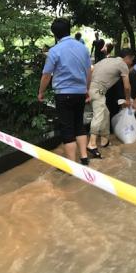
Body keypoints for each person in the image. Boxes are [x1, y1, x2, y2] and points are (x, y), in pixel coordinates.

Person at [39, 18, 91, 165]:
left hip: (63, 94)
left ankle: (72, 165)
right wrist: (86, 89)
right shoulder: (83, 48)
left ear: (55, 34)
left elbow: (46, 75)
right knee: (79, 125)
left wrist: (41, 92)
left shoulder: (55, 51)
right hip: (80, 93)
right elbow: (89, 71)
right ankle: (84, 158)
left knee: (67, 129)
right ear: (69, 30)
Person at [87, 49, 135, 157]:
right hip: (98, 90)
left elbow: (90, 70)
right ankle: (92, 144)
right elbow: (127, 87)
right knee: (99, 116)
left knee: (106, 113)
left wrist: (87, 90)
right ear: (127, 57)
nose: (131, 63)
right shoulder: (123, 65)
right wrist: (127, 100)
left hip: (91, 89)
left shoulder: (106, 60)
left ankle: (104, 140)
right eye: (131, 60)